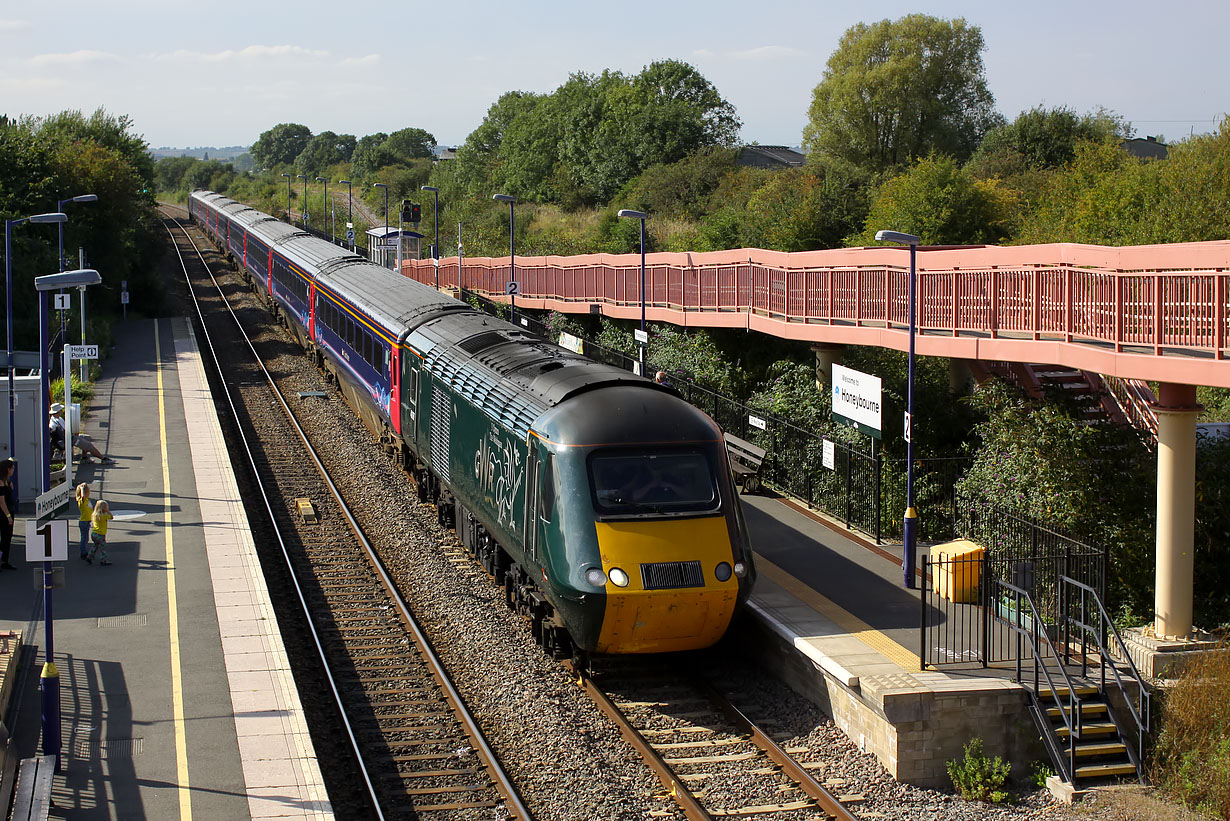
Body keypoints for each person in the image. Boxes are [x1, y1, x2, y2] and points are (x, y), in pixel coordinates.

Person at [87, 499, 113, 566]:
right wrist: (108, 511)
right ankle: (103, 560)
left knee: (95, 546)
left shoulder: (94, 515)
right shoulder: (104, 516)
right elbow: (111, 517)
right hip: (101, 534)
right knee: (103, 547)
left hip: (94, 533)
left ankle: (90, 556)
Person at [0, 459, 14, 570]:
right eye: (12, 468)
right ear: (7, 469)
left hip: (9, 511)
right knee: (4, 537)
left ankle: (5, 560)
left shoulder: (7, 482)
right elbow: (1, 501)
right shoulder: (0, 482)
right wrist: (8, 516)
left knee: (7, 537)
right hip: (3, 514)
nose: (13, 470)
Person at [76, 483, 94, 560]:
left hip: (87, 521)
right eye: (88, 492)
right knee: (84, 538)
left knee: (86, 538)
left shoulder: (87, 500)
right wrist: (82, 489)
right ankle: (83, 553)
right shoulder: (81, 501)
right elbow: (82, 497)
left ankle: (84, 551)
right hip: (84, 522)